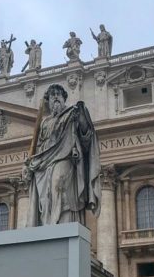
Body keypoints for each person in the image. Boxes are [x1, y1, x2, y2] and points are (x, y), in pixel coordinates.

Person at [24, 84, 101, 226]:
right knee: (45, 197)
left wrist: (82, 117)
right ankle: (49, 224)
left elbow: (86, 136)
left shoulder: (72, 114)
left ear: (64, 98)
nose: (55, 97)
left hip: (64, 156)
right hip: (44, 162)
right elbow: (38, 146)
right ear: (48, 102)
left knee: (58, 183)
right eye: (52, 95)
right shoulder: (45, 122)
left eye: (58, 94)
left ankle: (61, 222)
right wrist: (31, 163)